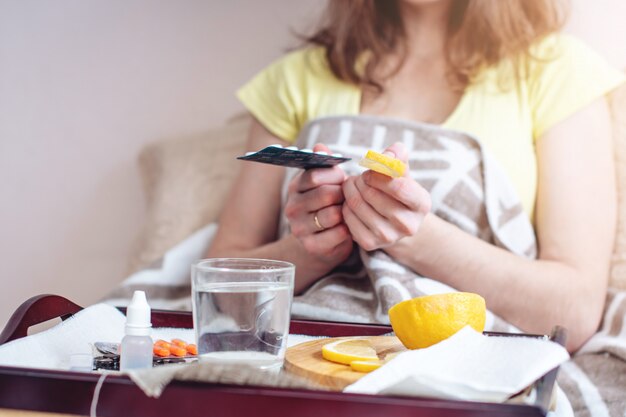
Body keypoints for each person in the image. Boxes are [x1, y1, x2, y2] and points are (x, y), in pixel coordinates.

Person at [207, 0, 625, 352]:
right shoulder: (294, 79)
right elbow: (216, 287)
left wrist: (416, 238)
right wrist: (311, 252)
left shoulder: (556, 71)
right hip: (303, 354)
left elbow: (574, 309)